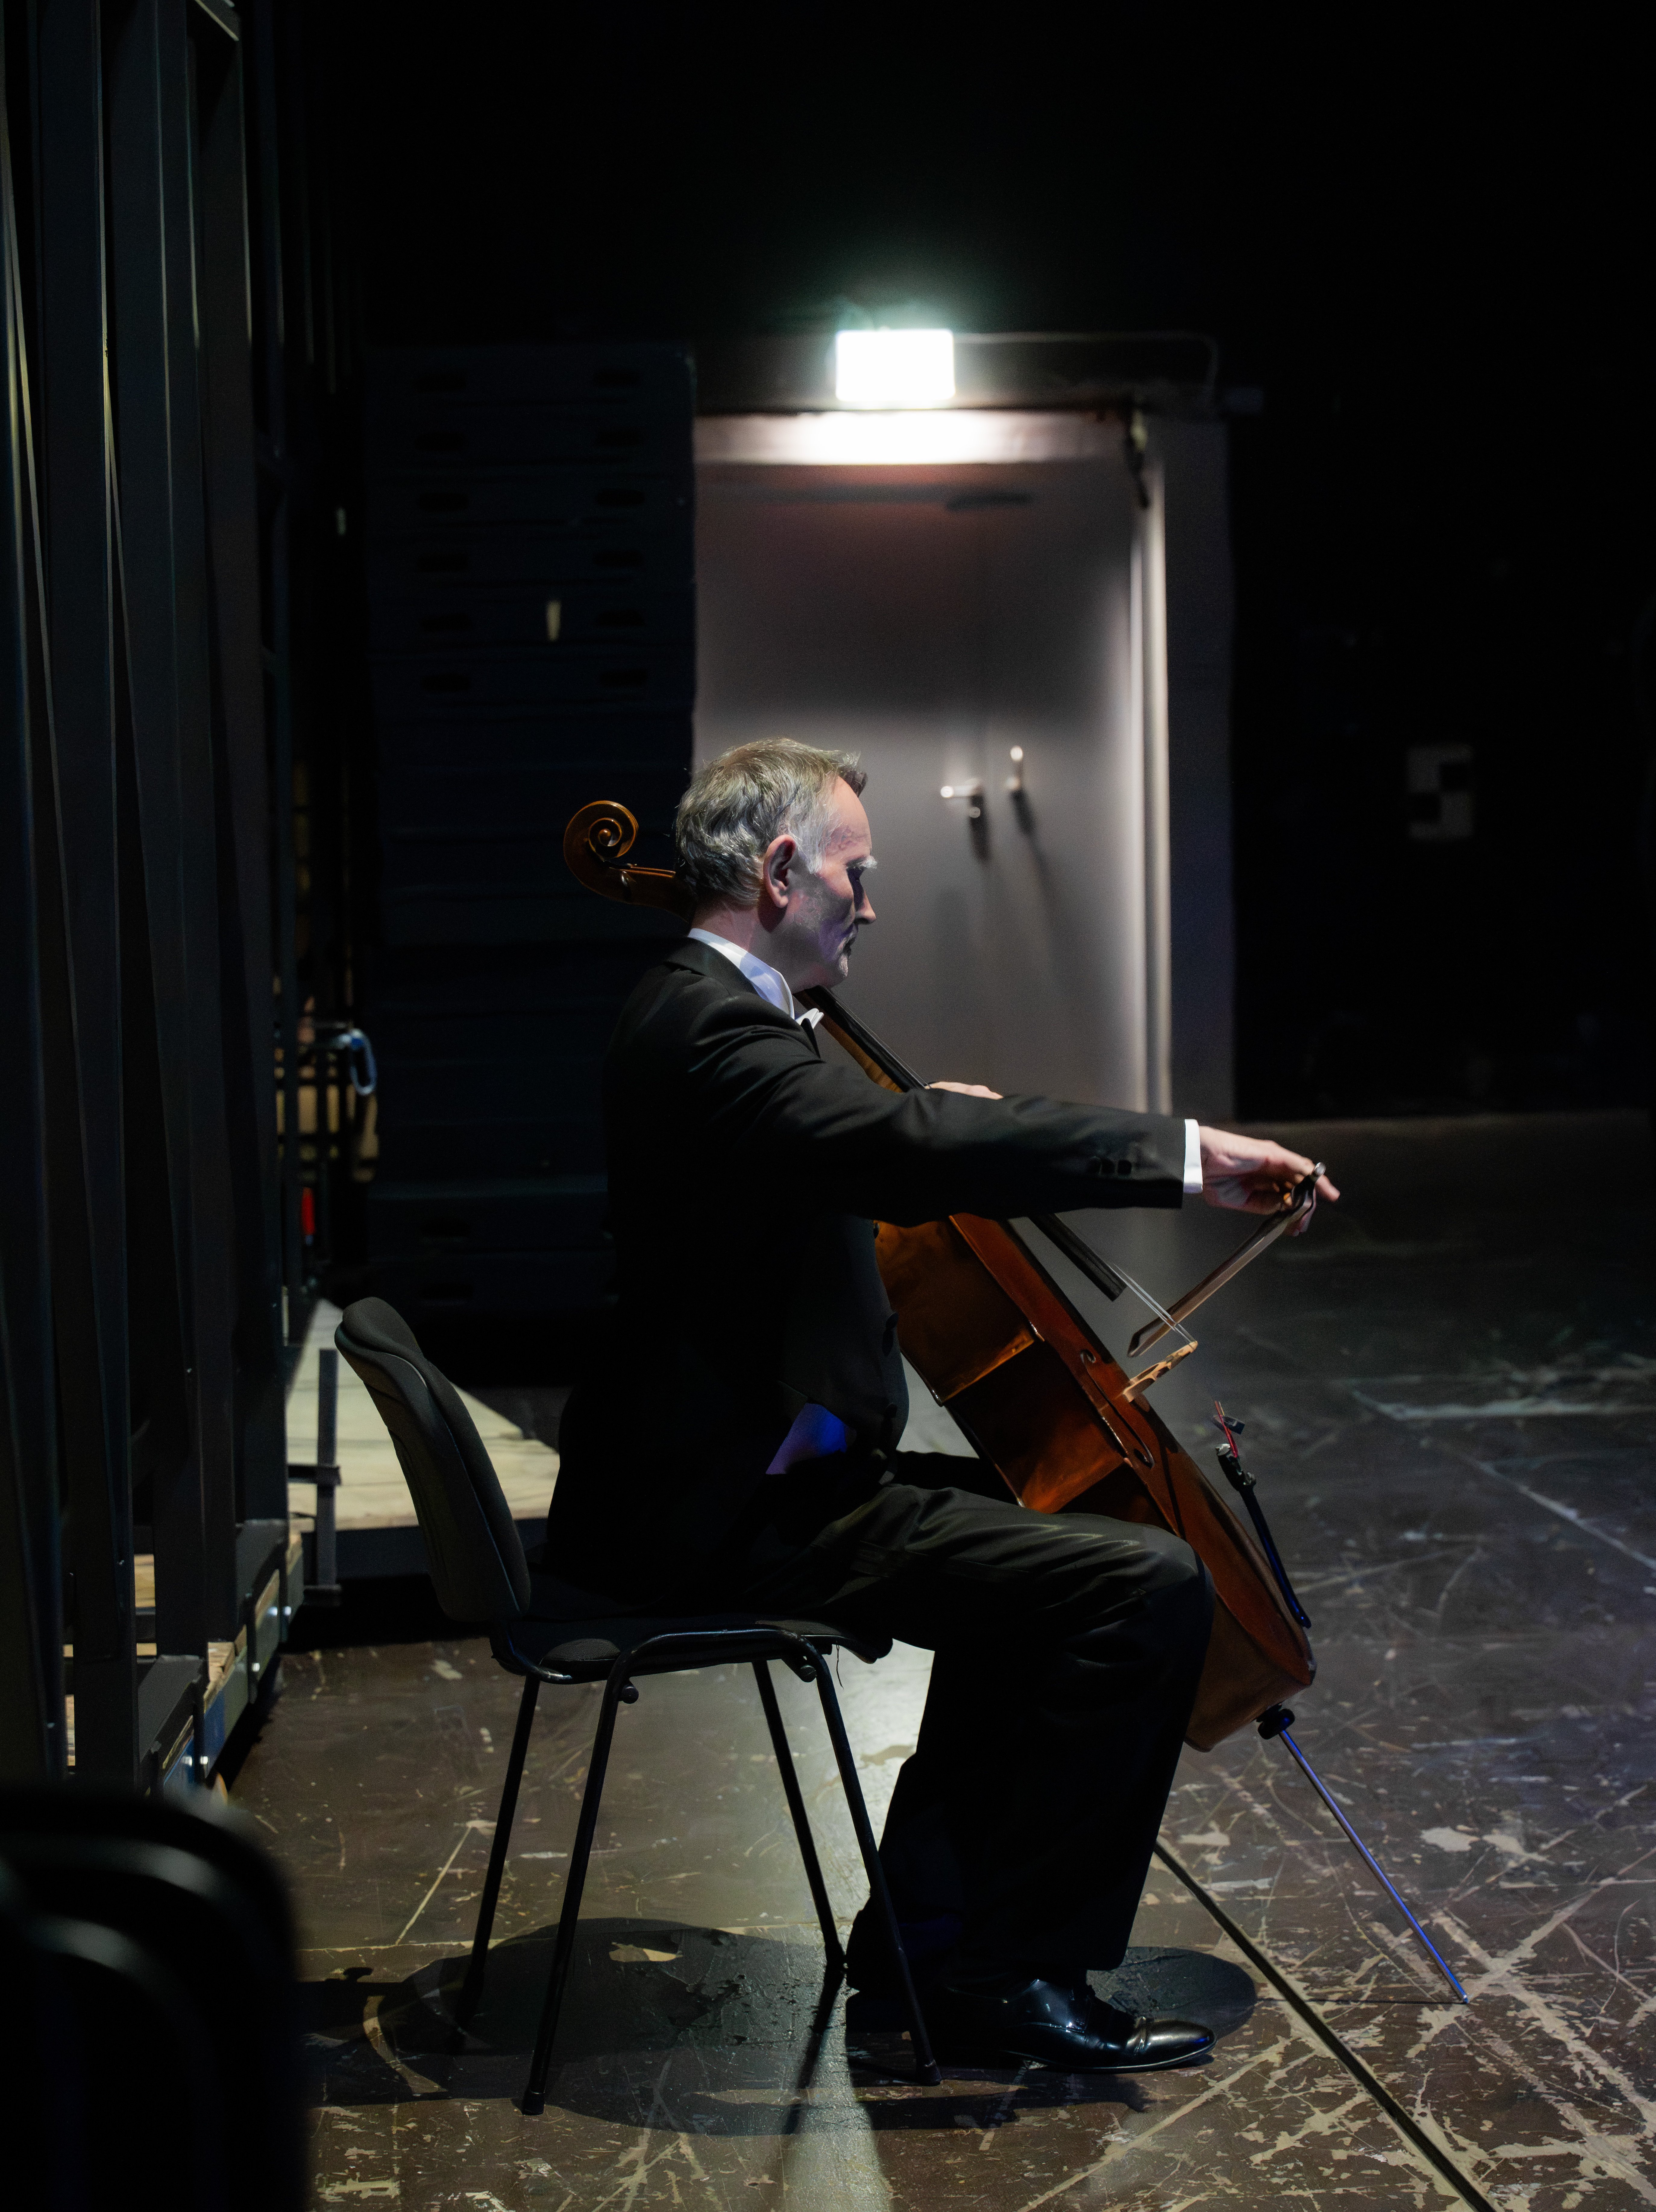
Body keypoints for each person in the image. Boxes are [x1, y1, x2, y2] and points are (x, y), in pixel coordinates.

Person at [548, 738, 1338, 2072]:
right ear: (784, 869)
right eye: (856, 874)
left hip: (774, 1483)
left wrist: (921, 1122)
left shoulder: (720, 1022)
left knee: (1058, 1558)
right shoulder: (701, 1027)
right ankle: (1006, 1968)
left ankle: (933, 1946)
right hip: (727, 1512)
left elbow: (855, 1150)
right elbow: (897, 1152)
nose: (871, 903)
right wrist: (1187, 1156)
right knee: (1140, 1586)